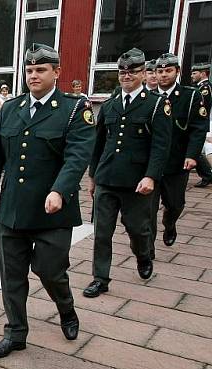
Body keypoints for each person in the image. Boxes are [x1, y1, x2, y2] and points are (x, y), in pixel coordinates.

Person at [0, 43, 95, 358]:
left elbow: (77, 156)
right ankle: (16, 333)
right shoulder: (10, 108)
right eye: (29, 70)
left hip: (52, 212)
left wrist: (59, 189)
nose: (33, 75)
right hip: (13, 210)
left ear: (56, 72)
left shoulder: (74, 109)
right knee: (12, 275)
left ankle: (66, 308)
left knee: (50, 270)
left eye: (41, 70)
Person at [83, 48, 171, 299]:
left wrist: (151, 176)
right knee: (101, 231)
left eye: (132, 72)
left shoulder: (156, 105)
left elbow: (160, 146)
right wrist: (92, 176)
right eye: (122, 72)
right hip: (107, 178)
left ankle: (143, 256)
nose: (126, 76)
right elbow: (99, 143)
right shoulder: (110, 105)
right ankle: (100, 278)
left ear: (143, 73)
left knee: (137, 229)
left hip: (137, 181)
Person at [151, 53, 207, 250]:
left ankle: (170, 224)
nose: (164, 75)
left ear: (177, 72)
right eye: (160, 71)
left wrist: (192, 155)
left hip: (177, 161)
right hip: (150, 164)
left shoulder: (190, 96)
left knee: (174, 204)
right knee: (147, 210)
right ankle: (147, 250)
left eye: (168, 71)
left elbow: (199, 128)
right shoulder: (149, 96)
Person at [190, 62, 211, 187]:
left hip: (198, 124)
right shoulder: (203, 87)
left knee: (194, 150)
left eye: (194, 73)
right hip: (199, 124)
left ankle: (207, 175)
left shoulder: (204, 89)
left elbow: (201, 108)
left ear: (203, 73)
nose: (192, 75)